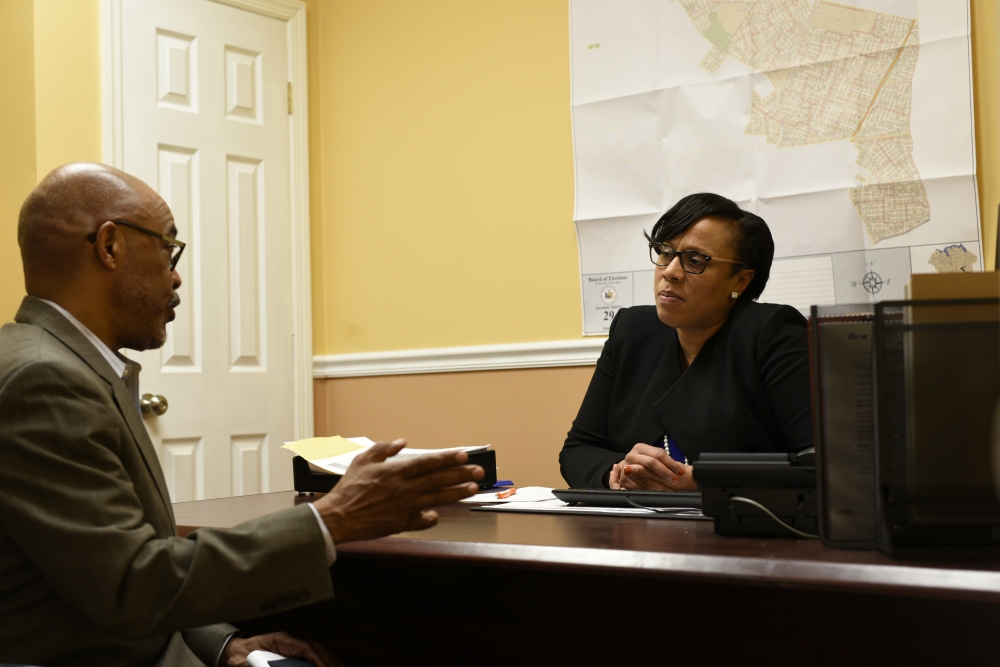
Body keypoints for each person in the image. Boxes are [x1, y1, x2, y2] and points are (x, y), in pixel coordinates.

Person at [0, 163, 485, 667]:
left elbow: (105, 577)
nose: (177, 272)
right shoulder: (44, 380)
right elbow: (131, 585)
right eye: (168, 247)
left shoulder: (66, 365)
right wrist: (333, 518)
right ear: (109, 246)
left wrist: (224, 644)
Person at [560, 193, 812, 491]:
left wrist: (699, 482)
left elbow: (818, 465)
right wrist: (617, 473)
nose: (670, 272)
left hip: (742, 530)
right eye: (665, 253)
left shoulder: (773, 333)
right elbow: (578, 450)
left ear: (740, 281)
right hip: (636, 528)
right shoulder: (633, 331)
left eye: (695, 261)